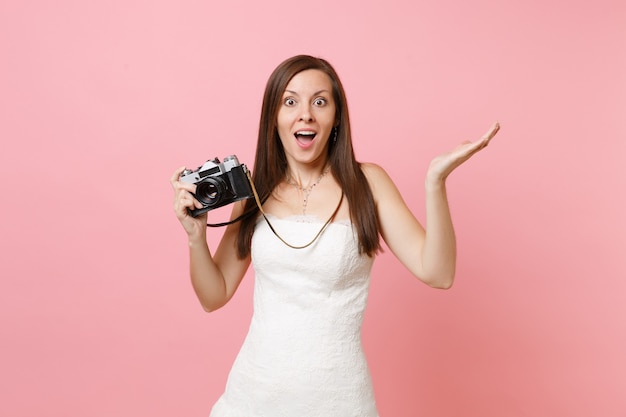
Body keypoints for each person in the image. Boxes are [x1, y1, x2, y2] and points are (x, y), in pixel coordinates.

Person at [170, 54, 500, 417]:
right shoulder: (254, 191)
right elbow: (213, 296)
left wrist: (435, 182)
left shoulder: (367, 183)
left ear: (336, 117)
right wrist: (195, 237)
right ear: (273, 118)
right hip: (252, 397)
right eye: (290, 101)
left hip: (339, 399)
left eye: (320, 102)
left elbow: (438, 273)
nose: (305, 114)